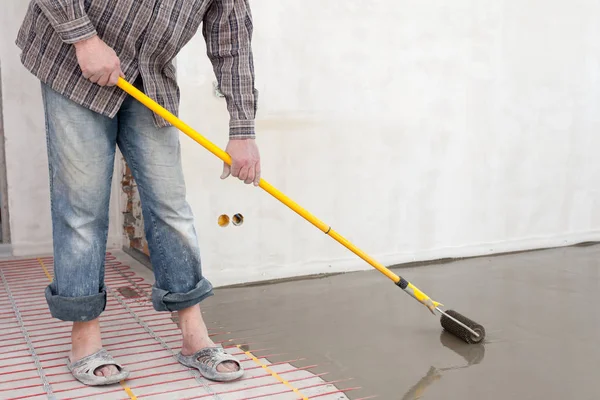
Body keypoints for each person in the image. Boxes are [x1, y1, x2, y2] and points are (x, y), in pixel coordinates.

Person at [15, 0, 260, 386]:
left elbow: (232, 38)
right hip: (73, 62)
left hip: (149, 79)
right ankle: (84, 337)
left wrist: (242, 130)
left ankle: (194, 336)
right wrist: (83, 38)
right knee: (82, 206)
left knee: (170, 206)